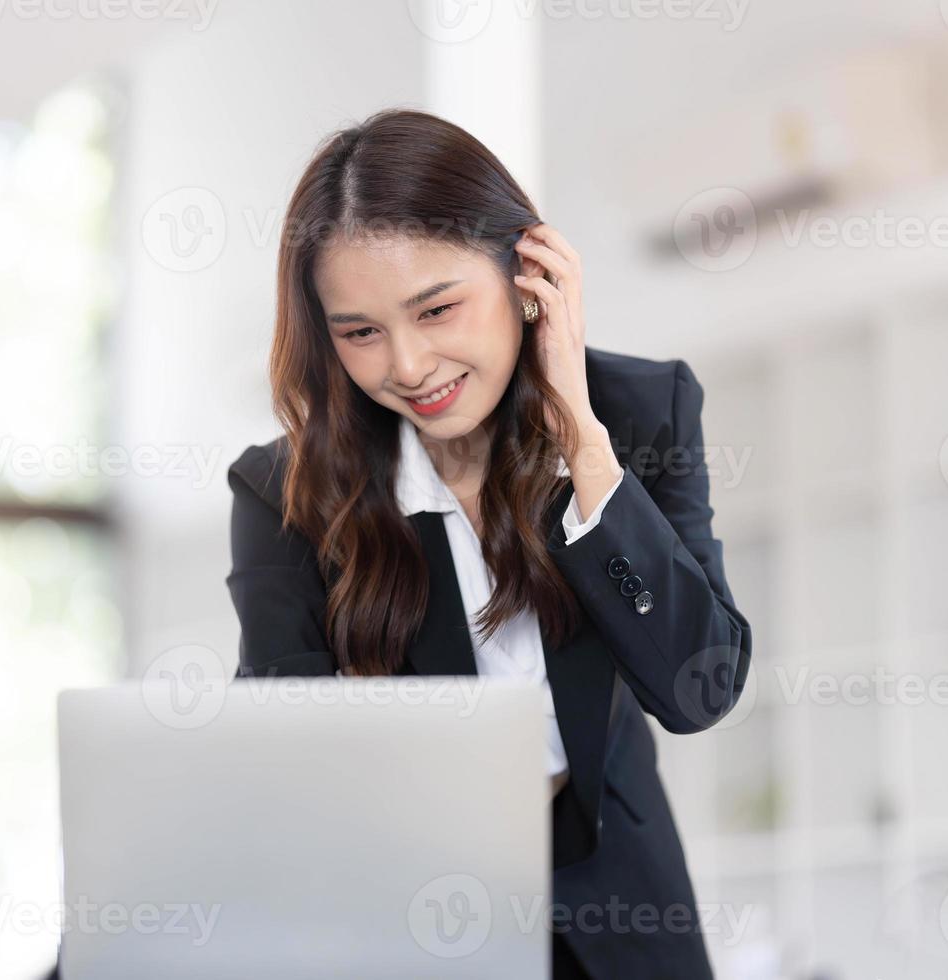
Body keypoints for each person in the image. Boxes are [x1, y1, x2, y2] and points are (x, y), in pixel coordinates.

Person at [223, 108, 753, 978]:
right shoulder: (287, 493)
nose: (408, 364)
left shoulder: (639, 414)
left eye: (437, 308)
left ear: (527, 272)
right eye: (359, 331)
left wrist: (581, 439)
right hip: (414, 924)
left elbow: (701, 688)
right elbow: (290, 773)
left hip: (624, 919)